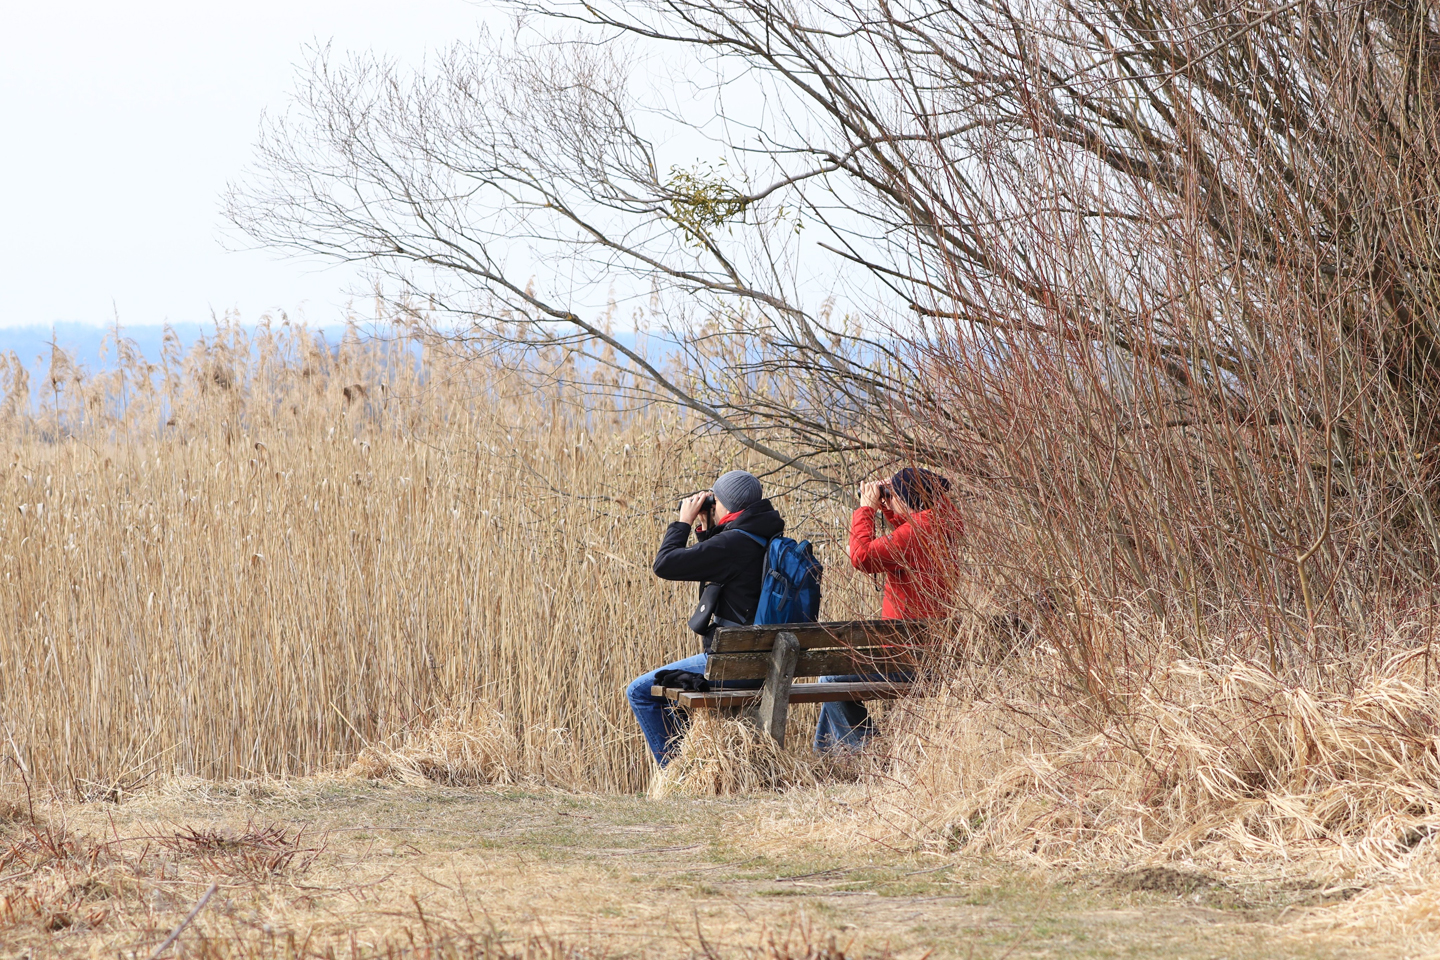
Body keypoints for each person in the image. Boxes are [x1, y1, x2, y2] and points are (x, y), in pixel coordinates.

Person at [626, 469, 785, 766]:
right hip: (766, 662)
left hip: (733, 666)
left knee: (639, 692)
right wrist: (705, 529)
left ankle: (678, 773)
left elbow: (665, 564)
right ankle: (694, 764)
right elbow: (725, 566)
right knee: (671, 688)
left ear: (729, 506)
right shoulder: (764, 534)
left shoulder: (733, 544)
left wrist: (683, 522)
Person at [814, 466, 960, 751]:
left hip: (906, 657)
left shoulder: (918, 534)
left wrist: (867, 509)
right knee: (831, 679)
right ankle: (826, 755)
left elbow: (861, 556)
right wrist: (892, 502)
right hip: (929, 651)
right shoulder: (940, 526)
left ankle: (867, 749)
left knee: (830, 677)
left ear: (909, 499)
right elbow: (907, 536)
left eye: (895, 494)